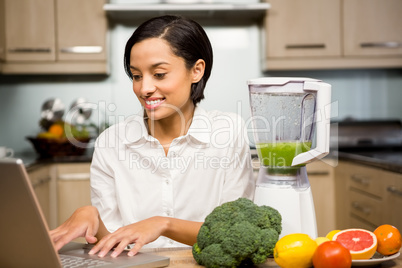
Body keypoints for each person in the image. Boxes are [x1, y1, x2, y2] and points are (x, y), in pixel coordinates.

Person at [50, 15, 255, 258]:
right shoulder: (110, 143)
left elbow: (233, 232)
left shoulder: (229, 132)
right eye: (136, 76)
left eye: (159, 74)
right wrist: (91, 217)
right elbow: (115, 242)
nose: (144, 88)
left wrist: (163, 224)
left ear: (197, 70)